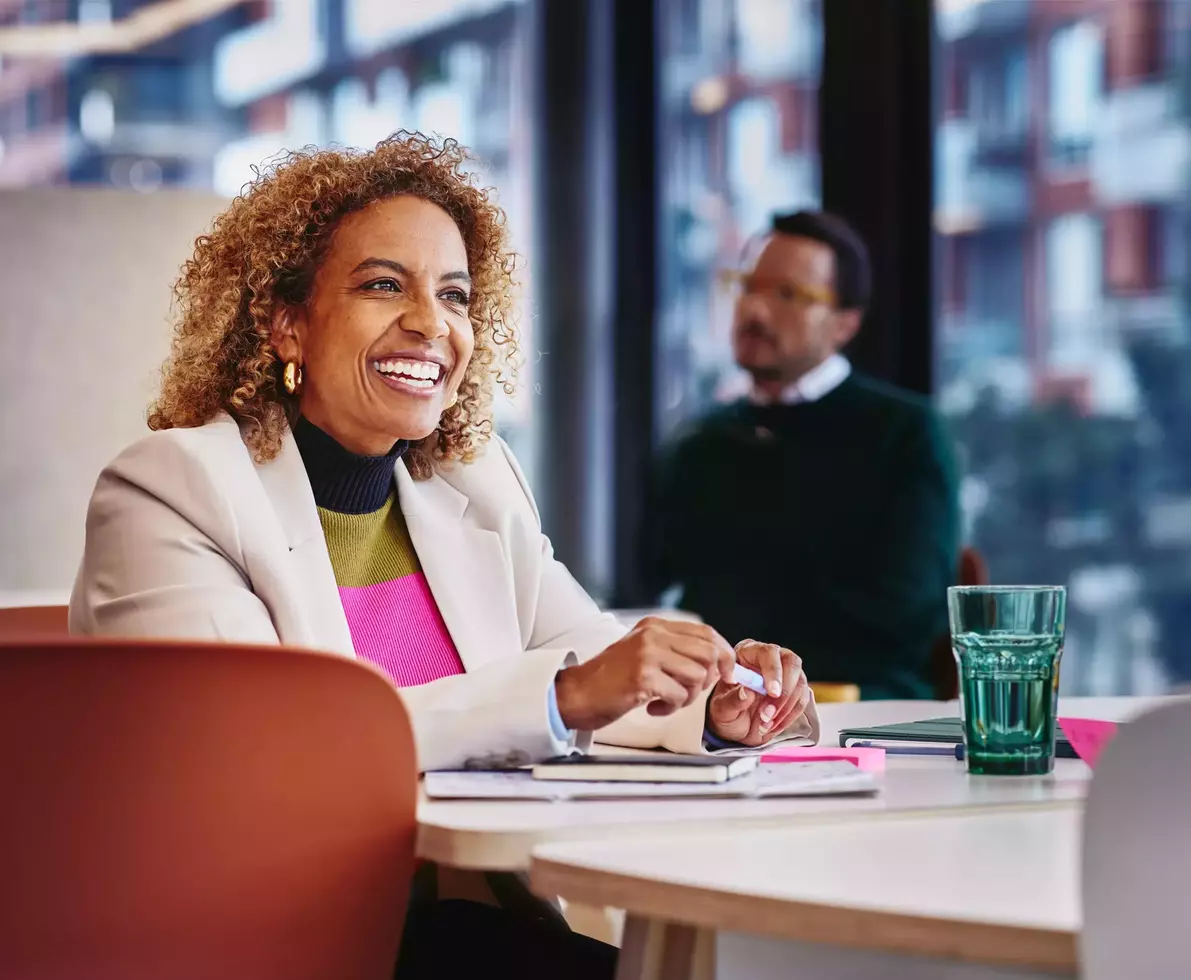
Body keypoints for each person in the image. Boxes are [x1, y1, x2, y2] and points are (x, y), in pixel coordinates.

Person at [69, 133, 818, 979]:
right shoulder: (174, 487)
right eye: (383, 284)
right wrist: (566, 693)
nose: (431, 323)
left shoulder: (471, 480)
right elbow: (263, 756)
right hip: (271, 937)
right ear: (287, 324)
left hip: (461, 926)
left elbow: (596, 667)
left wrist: (710, 706)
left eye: (454, 294)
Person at [647, 210, 960, 699]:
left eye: (788, 295)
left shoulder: (905, 433)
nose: (756, 310)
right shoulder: (699, 444)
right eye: (749, 285)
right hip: (720, 705)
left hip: (862, 704)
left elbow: (906, 611)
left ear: (845, 323)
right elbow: (650, 586)